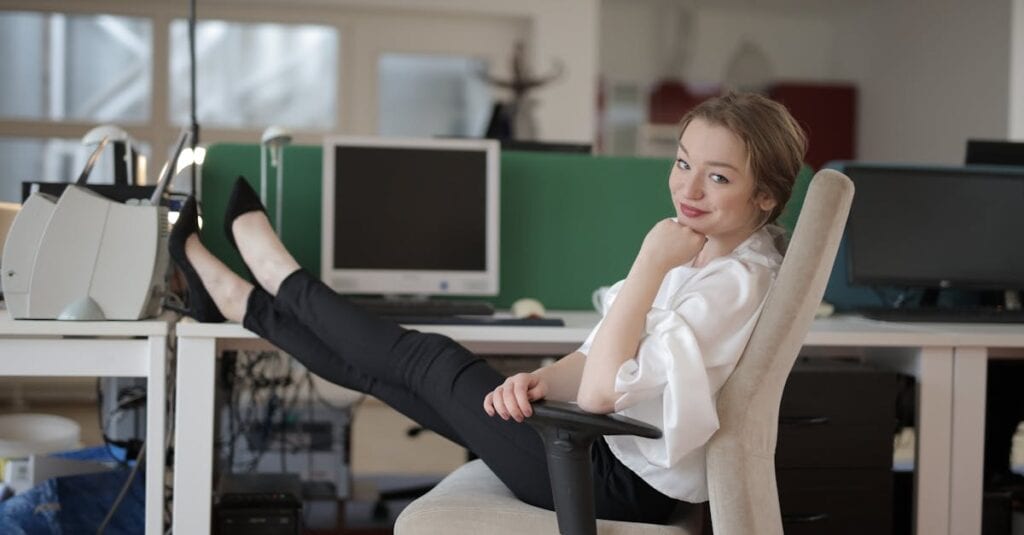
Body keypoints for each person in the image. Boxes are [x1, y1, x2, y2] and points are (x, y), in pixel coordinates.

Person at [167, 91, 807, 524]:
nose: (688, 188)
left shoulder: (731, 283)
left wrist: (648, 262)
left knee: (426, 357)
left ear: (767, 199)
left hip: (617, 482)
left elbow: (605, 394)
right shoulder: (707, 253)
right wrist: (541, 379)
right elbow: (598, 356)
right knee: (384, 374)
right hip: (607, 456)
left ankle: (278, 275)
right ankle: (242, 299)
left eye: (718, 177)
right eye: (682, 163)